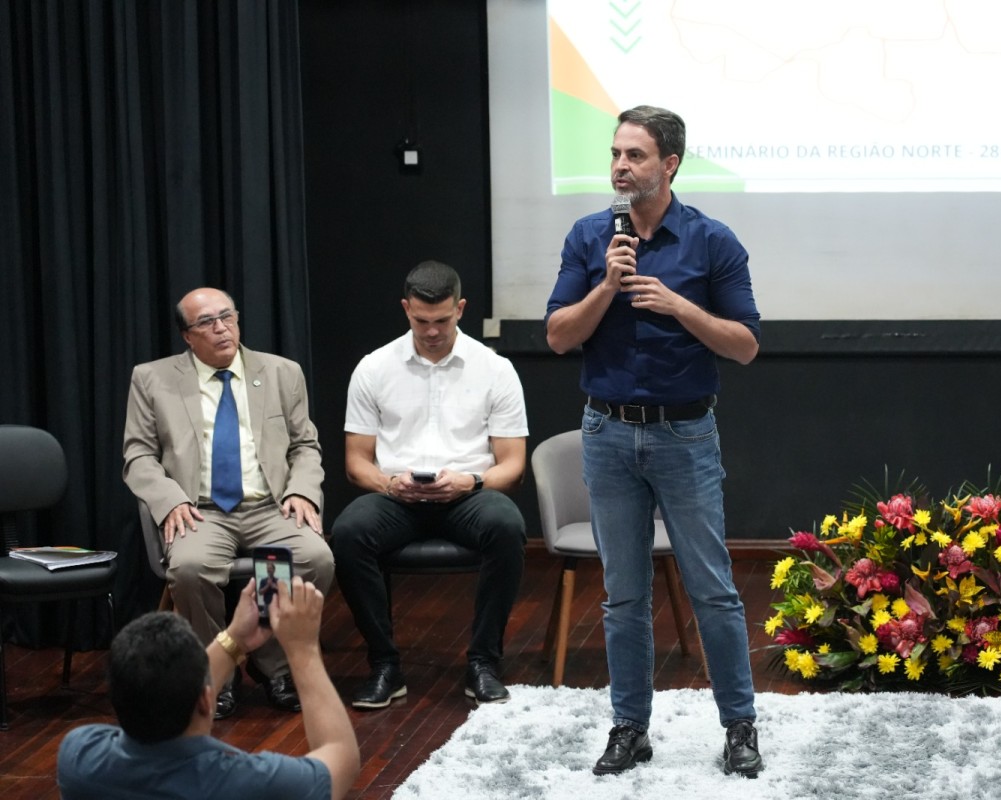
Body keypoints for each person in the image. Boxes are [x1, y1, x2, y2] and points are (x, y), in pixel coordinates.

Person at [545, 105, 764, 777]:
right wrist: (606, 287)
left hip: (684, 435)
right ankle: (629, 728)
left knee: (713, 589)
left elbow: (746, 345)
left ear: (669, 164)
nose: (620, 166)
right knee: (623, 596)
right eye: (615, 153)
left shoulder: (712, 241)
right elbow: (558, 336)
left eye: (634, 155)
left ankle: (739, 727)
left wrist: (679, 306)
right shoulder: (589, 238)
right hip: (607, 433)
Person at [123, 287, 335, 719]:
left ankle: (275, 665)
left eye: (227, 317)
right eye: (206, 322)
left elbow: (305, 446)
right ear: (187, 336)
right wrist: (170, 500)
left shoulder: (281, 372)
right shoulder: (152, 378)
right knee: (189, 569)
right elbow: (138, 455)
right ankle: (219, 670)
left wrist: (300, 490)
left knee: (315, 558)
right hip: (200, 509)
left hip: (269, 507)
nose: (221, 328)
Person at [330, 260, 528, 709]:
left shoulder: (495, 369)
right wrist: (389, 484)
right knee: (347, 532)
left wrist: (469, 481)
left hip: (467, 494)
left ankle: (484, 662)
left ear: (460, 308)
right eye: (422, 321)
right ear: (406, 309)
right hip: (397, 496)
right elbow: (356, 462)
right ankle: (384, 665)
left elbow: (513, 466)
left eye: (442, 320)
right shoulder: (374, 368)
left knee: (507, 526)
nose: (433, 331)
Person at [57, 577, 361, 799]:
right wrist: (302, 649)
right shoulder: (253, 783)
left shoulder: (79, 759)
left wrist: (235, 638)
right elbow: (341, 755)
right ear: (206, 698)